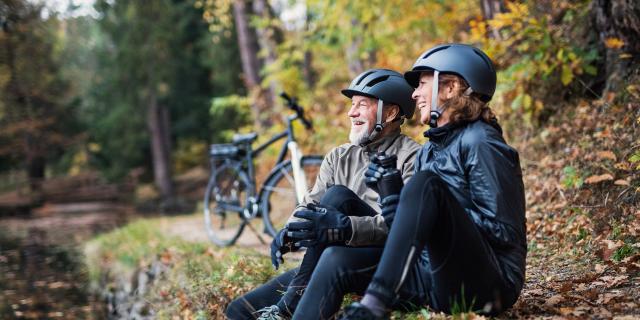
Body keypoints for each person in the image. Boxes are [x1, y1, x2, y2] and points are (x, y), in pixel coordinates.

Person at [287, 44, 527, 319]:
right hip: (433, 274)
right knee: (336, 261)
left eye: (422, 84)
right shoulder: (429, 150)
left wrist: (438, 204)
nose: (414, 94)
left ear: (450, 88)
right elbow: (409, 230)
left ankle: (375, 303)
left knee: (425, 184)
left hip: (490, 283)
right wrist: (393, 197)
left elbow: (505, 232)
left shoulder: (481, 142)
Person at [225, 69, 421, 319]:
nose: (352, 112)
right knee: (239, 311)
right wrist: (291, 230)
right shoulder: (339, 156)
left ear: (391, 112)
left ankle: (289, 305)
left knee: (338, 197)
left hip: (378, 260)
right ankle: (291, 300)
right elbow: (311, 203)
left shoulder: (412, 156)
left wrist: (346, 226)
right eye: (352, 105)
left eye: (362, 105)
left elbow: (405, 226)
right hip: (327, 259)